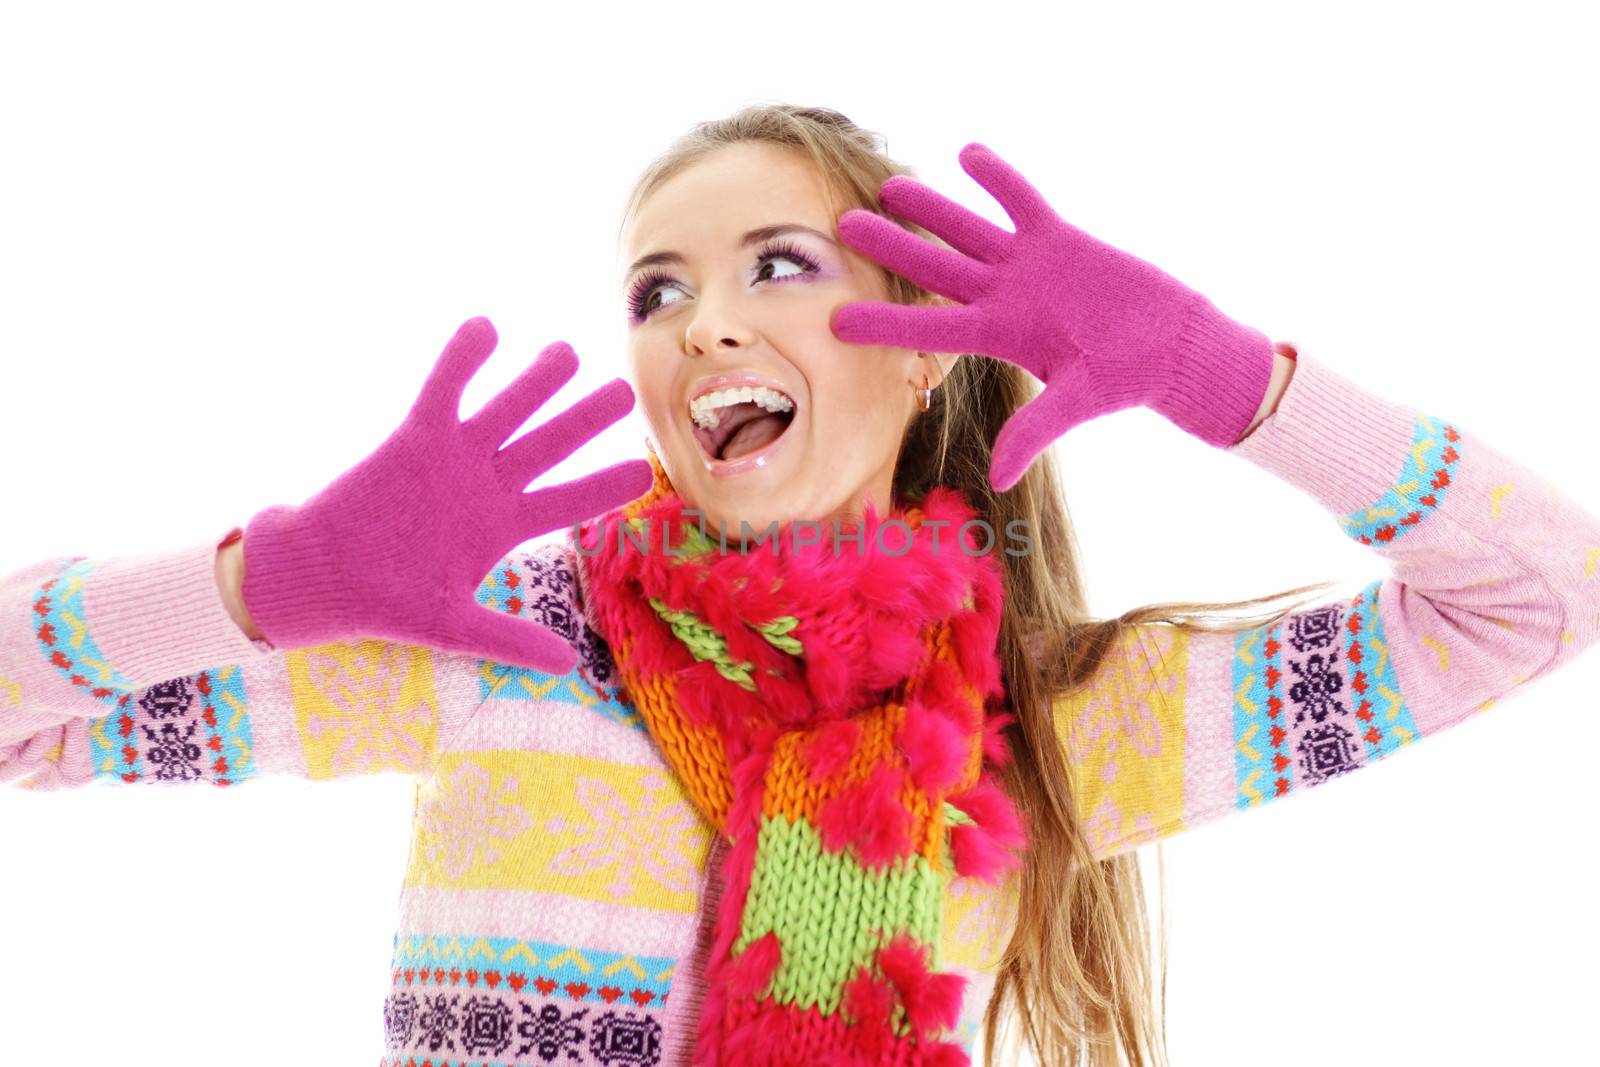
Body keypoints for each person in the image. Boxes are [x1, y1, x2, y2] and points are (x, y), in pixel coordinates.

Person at [3, 103, 1596, 1067]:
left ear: (923, 369)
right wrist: (259, 584)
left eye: (779, 265)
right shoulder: (506, 642)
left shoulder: (1049, 731)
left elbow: (1534, 599)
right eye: (658, 288)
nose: (701, 324)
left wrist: (1226, 376)